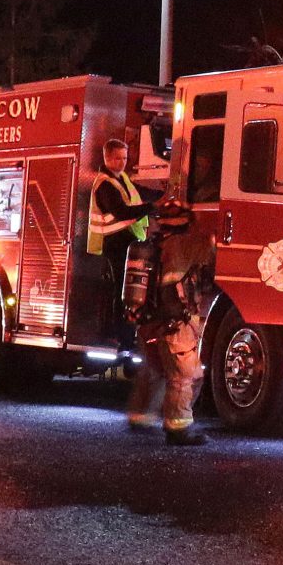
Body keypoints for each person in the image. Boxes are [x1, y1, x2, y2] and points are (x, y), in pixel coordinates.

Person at [126, 194, 216, 446]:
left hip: (150, 324)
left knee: (154, 371)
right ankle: (178, 429)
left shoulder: (154, 245)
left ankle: (140, 416)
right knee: (186, 376)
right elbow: (211, 250)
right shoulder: (186, 245)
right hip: (175, 325)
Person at [86, 137, 153, 337]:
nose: (122, 162)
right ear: (107, 158)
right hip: (112, 242)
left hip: (125, 239)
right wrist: (151, 208)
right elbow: (121, 212)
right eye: (117, 158)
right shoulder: (105, 184)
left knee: (126, 286)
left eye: (124, 158)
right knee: (120, 289)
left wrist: (162, 195)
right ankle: (117, 331)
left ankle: (123, 330)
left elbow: (140, 192)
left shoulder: (121, 178)